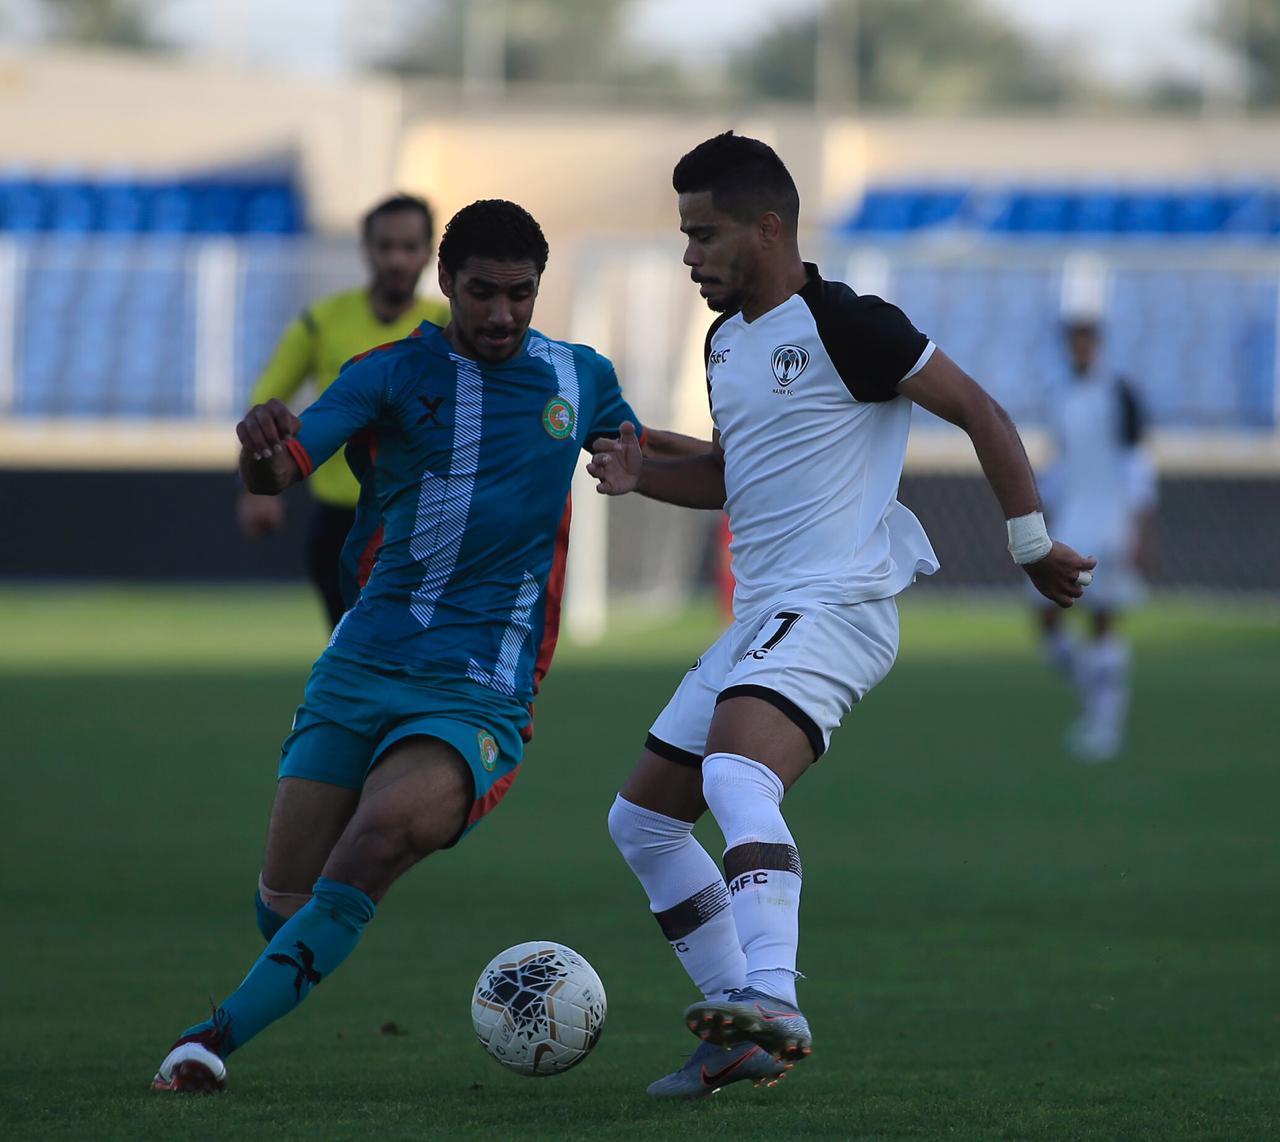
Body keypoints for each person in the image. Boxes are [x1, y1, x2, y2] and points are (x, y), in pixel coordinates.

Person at [587, 132, 1095, 1099]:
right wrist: (645, 472)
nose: (689, 256)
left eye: (706, 235)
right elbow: (740, 478)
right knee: (644, 822)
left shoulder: (852, 323)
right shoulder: (724, 339)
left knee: (738, 769)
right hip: (765, 615)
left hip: (841, 602)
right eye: (685, 236)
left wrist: (1030, 544)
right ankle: (736, 1024)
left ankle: (772, 999)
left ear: (768, 229)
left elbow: (982, 411)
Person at [152, 198, 702, 1093]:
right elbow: (287, 467)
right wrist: (258, 452)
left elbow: (659, 454)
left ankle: (207, 1043)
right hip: (362, 661)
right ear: (445, 285)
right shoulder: (386, 374)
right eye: (482, 293)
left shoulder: (579, 377)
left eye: (520, 295)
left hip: (478, 691)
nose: (501, 315)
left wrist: (766, 472)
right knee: (283, 909)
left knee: (373, 844)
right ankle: (282, 967)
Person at [237, 193, 450, 628]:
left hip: (426, 522)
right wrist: (254, 489)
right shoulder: (322, 322)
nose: (396, 259)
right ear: (366, 249)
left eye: (409, 247)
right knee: (355, 659)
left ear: (429, 253)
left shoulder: (452, 326)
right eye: (385, 246)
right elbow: (264, 403)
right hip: (342, 525)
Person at [1036, 316, 1157, 761]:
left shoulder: (1119, 393)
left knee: (1102, 617)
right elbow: (1059, 463)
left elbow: (1136, 463)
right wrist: (1035, 523)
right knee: (1046, 617)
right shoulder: (1061, 394)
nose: (1079, 348)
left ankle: (1105, 725)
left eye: (1086, 340)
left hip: (1111, 520)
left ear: (1098, 344)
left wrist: (1142, 529)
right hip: (1071, 518)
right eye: (1073, 340)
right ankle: (1096, 704)